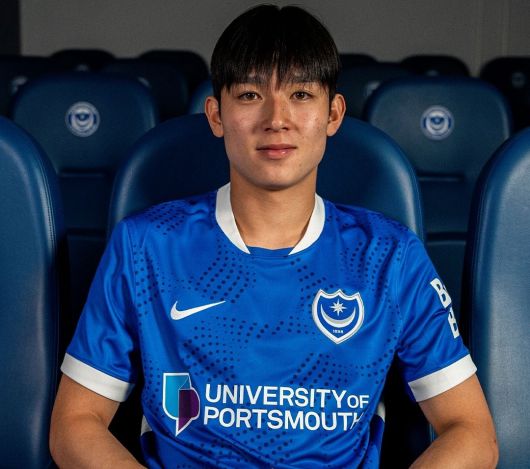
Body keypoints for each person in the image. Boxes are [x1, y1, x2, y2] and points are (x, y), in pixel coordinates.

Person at [50, 5, 498, 468]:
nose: (276, 118)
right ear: (216, 115)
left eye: (301, 94)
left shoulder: (390, 256)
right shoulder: (146, 246)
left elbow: (471, 432)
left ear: (333, 114)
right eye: (249, 94)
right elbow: (75, 424)